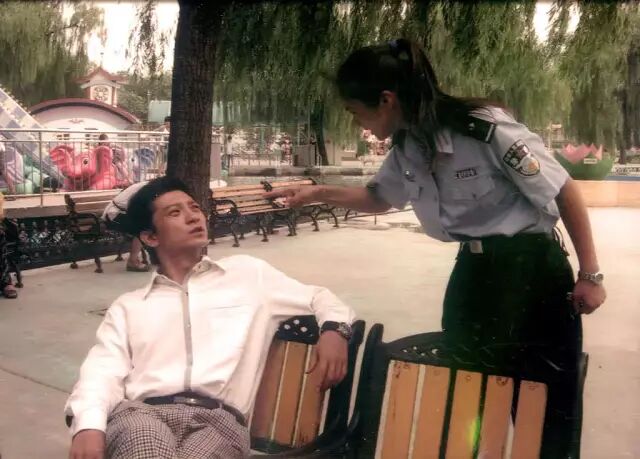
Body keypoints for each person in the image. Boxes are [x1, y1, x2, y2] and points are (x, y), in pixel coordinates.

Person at [265, 38, 606, 458]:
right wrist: (316, 193)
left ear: (386, 100)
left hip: (533, 273)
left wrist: (590, 275)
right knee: (466, 393)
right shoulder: (408, 147)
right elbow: (380, 197)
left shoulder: (484, 129)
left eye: (356, 112)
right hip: (474, 275)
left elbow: (563, 189)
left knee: (546, 402)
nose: (358, 123)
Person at [67, 176, 356, 459]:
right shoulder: (129, 307)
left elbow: (319, 297)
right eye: (175, 212)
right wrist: (88, 426)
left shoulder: (248, 275)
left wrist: (335, 330)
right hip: (141, 415)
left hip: (218, 423)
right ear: (151, 237)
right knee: (144, 436)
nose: (194, 217)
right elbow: (101, 371)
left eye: (194, 207)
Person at [102, 181, 150, 272]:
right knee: (143, 229)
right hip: (113, 215)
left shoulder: (149, 186)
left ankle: (156, 256)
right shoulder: (147, 189)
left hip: (120, 213)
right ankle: (132, 262)